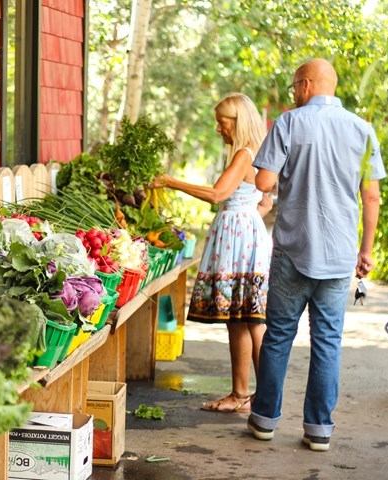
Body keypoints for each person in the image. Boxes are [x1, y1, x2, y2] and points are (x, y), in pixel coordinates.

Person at [247, 58, 386, 452]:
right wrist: (366, 250)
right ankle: (319, 430)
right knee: (327, 342)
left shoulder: (290, 123)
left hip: (293, 249)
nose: (293, 93)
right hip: (340, 255)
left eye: (295, 86)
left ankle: (264, 421)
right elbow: (371, 194)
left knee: (278, 338)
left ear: (306, 85)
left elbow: (264, 181)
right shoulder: (363, 130)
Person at [154, 92, 272, 413]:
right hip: (246, 236)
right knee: (246, 318)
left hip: (238, 239)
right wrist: (246, 220)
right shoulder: (258, 153)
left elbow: (218, 193)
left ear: (238, 122)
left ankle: (253, 396)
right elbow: (265, 201)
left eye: (222, 123)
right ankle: (250, 396)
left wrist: (170, 182)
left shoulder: (244, 155)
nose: (218, 129)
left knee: (247, 319)